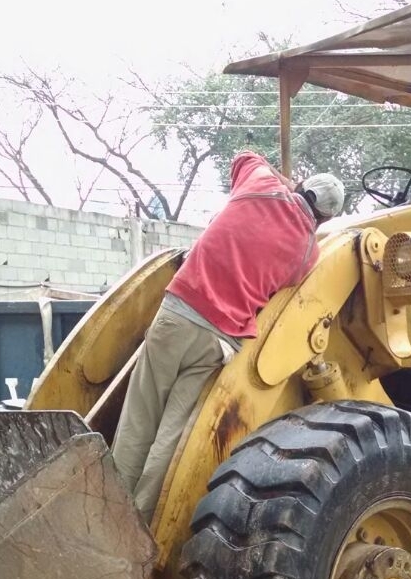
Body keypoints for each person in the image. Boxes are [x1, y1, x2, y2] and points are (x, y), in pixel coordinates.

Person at [111, 151, 346, 517]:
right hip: (217, 343)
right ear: (325, 218)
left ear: (301, 185)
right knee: (172, 438)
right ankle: (140, 518)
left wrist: (283, 181)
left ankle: (111, 510)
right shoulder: (307, 254)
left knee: (139, 418)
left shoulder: (261, 184)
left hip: (177, 318)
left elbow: (243, 157)